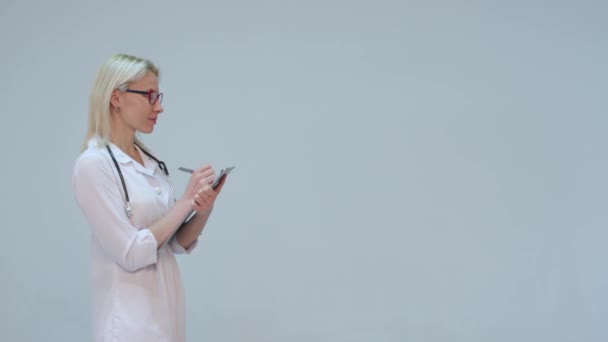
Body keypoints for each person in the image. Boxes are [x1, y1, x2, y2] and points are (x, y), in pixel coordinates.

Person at [72, 53, 226, 342]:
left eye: (159, 96)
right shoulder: (94, 165)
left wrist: (201, 208)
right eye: (150, 96)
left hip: (166, 319)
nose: (160, 107)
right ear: (116, 98)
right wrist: (184, 202)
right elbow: (131, 253)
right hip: (130, 327)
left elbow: (174, 243)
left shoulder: (149, 160)